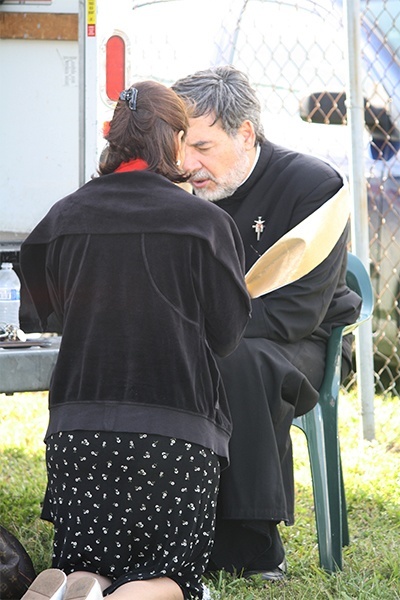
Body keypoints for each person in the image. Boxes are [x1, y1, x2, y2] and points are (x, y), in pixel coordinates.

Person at [19, 80, 251, 600]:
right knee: (173, 580)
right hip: (175, 437)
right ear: (172, 141)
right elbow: (228, 333)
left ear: (115, 140)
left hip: (80, 437)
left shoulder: (62, 217)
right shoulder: (206, 225)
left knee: (90, 562)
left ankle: (76, 583)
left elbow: (39, 313)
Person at [172, 65, 362, 580]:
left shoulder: (312, 184)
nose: (188, 164)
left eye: (203, 147)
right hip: (205, 334)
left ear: (246, 133)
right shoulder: (176, 189)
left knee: (240, 358)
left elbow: (295, 311)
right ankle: (158, 526)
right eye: (180, 147)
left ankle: (252, 546)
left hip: (304, 338)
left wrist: (186, 329)